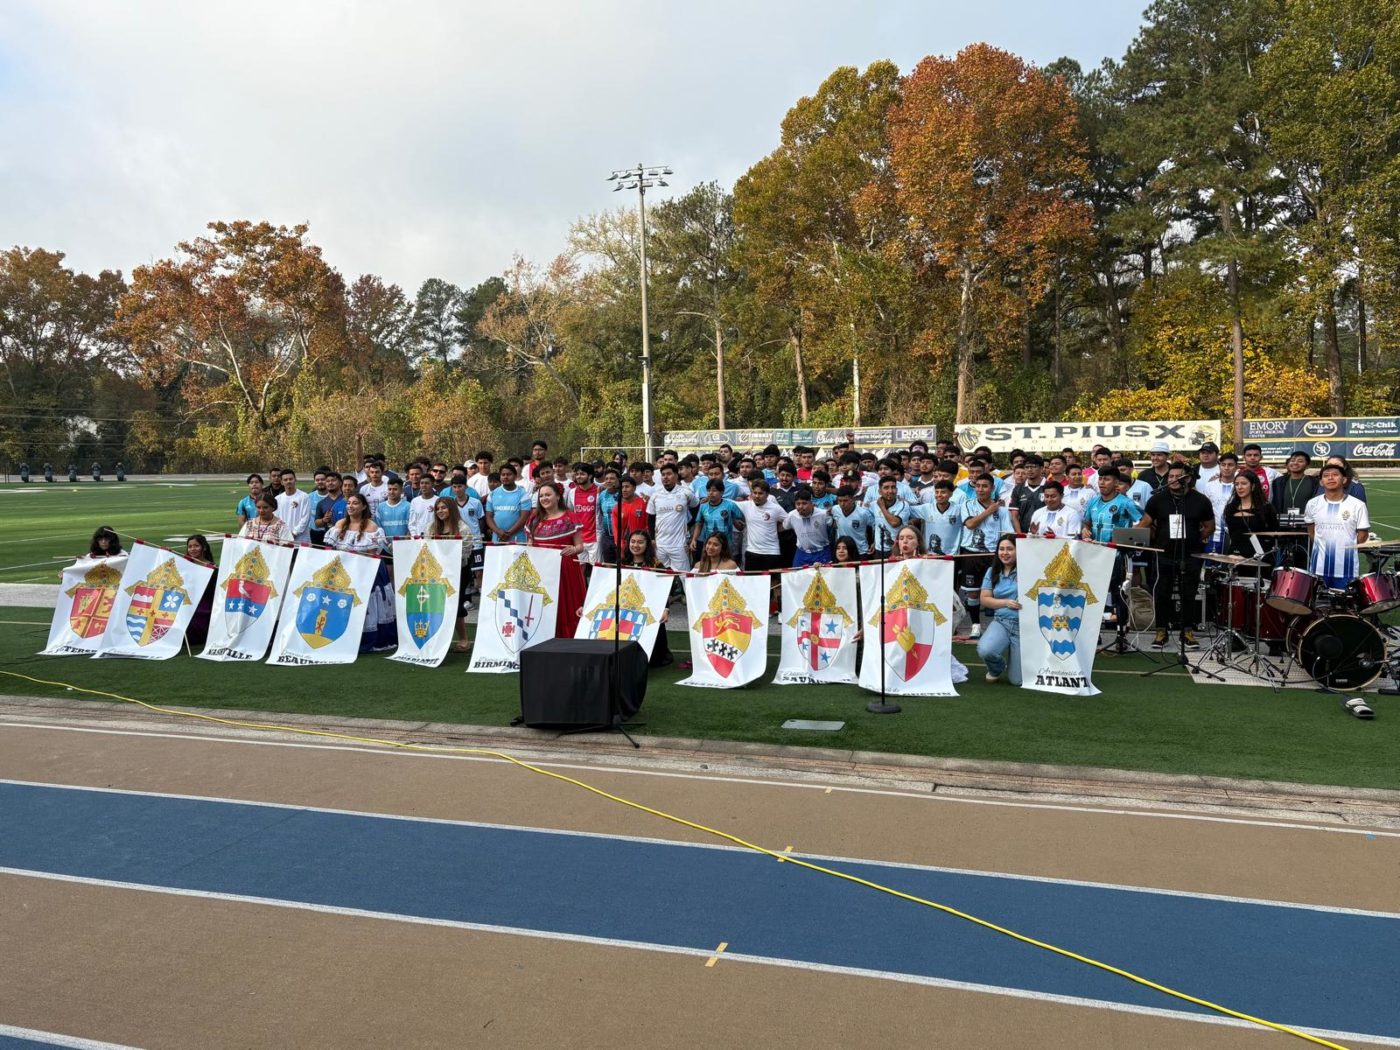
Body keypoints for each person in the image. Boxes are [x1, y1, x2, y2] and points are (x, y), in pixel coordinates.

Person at [1140, 463, 1215, 651]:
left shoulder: (1201, 500)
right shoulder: (1157, 499)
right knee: (1162, 592)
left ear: (1187, 478)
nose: (1173, 480)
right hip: (1163, 553)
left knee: (1188, 593)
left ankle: (1187, 631)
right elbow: (1146, 523)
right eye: (1170, 476)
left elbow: (1209, 525)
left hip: (1191, 554)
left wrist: (1200, 539)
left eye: (1177, 476)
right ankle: (1161, 631)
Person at [325, 492, 395, 652]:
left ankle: (368, 637)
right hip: (345, 571)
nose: (350, 506)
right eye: (349, 503)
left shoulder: (372, 527)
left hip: (366, 571)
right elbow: (334, 551)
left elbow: (372, 555)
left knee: (368, 602)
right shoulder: (340, 524)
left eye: (355, 503)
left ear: (363, 506)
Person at [528, 482, 585, 639]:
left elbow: (580, 546)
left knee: (566, 604)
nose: (544, 498)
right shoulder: (534, 519)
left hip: (566, 569)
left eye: (548, 495)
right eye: (541, 496)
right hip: (542, 570)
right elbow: (530, 546)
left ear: (558, 496)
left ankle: (569, 638)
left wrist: (573, 549)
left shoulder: (569, 517)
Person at [959, 474, 1013, 639]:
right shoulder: (967, 504)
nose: (980, 489)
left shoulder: (1002, 510)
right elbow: (970, 524)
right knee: (973, 593)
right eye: (978, 486)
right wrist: (990, 510)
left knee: (997, 591)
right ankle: (976, 625)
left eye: (985, 486)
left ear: (992, 488)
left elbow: (1006, 533)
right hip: (971, 553)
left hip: (993, 554)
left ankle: (1000, 626)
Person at [1306, 463, 1370, 589]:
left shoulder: (1357, 505)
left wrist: (1344, 548)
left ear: (1344, 480)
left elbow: (1362, 536)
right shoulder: (1312, 504)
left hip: (1347, 567)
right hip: (1319, 567)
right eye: (1326, 476)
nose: (1330, 478)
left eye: (1335, 475)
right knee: (1319, 605)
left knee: (1345, 606)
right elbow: (1311, 531)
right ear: (1321, 482)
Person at [426, 497, 473, 652]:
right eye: (438, 508)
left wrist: (446, 552)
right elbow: (426, 549)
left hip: (458, 571)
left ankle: (463, 639)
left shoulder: (463, 528)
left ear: (451, 509)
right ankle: (438, 638)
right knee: (437, 605)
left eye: (444, 508)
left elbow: (466, 552)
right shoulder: (431, 527)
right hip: (436, 572)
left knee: (455, 604)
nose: (440, 511)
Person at [977, 535, 1022, 685]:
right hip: (1002, 622)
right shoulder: (992, 571)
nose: (1005, 553)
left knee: (1017, 681)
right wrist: (1006, 603)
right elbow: (984, 599)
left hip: (1024, 627)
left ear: (1018, 550)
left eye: (1010, 549)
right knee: (985, 650)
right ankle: (997, 668)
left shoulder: (1028, 569)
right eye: (1001, 549)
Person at [647, 462, 698, 572]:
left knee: (682, 577)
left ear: (676, 475)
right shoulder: (655, 495)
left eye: (669, 474)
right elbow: (651, 518)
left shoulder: (686, 493)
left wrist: (689, 524)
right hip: (660, 545)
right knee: (660, 576)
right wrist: (652, 539)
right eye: (663, 474)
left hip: (679, 545)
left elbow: (696, 508)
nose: (665, 477)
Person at [1223, 471, 1278, 559]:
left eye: (1244, 484)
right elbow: (1232, 534)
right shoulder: (1230, 508)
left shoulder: (1266, 508)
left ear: (1253, 486)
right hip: (1235, 554)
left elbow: (1273, 532)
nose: (1239, 487)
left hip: (1259, 555)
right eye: (1236, 484)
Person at [908, 479, 964, 557]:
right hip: (929, 555)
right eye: (937, 492)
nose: (939, 495)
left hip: (952, 555)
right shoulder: (927, 508)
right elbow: (907, 510)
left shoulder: (959, 509)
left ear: (951, 494)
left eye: (943, 492)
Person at [691, 480, 743, 554]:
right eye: (708, 490)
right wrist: (694, 539)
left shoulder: (730, 505)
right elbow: (699, 524)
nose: (711, 493)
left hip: (726, 545)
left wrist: (734, 520)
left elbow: (741, 525)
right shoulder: (703, 507)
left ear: (721, 492)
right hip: (709, 545)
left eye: (714, 490)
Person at [785, 487, 833, 567]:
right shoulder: (791, 515)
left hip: (822, 551)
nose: (800, 506)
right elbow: (785, 526)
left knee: (824, 578)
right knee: (797, 577)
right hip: (802, 552)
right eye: (798, 504)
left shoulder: (823, 514)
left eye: (804, 503)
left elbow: (834, 526)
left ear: (811, 503)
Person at [484, 462, 530, 544]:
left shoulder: (523, 493)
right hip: (497, 539)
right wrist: (498, 531)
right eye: (503, 474)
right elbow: (489, 517)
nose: (505, 477)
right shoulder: (493, 494)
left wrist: (508, 533)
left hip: (518, 539)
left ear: (515, 476)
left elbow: (524, 517)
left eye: (509, 474)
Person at [184, 535, 217, 647]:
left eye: (196, 546)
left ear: (204, 548)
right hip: (187, 602)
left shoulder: (213, 568)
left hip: (205, 604)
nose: (192, 549)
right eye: (190, 546)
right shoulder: (183, 565)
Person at [1269, 450, 1318, 523]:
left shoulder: (1314, 482)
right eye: (1292, 460)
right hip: (1283, 524)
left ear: (1307, 465)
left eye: (1300, 461)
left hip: (1307, 523)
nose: (1295, 463)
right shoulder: (1278, 482)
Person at [275, 470, 313, 544]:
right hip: (284, 538)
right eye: (285, 480)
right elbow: (276, 518)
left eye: (290, 479)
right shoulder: (278, 498)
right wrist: (284, 534)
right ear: (282, 482)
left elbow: (305, 518)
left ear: (295, 479)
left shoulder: (304, 496)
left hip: (301, 539)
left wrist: (294, 533)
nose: (288, 481)